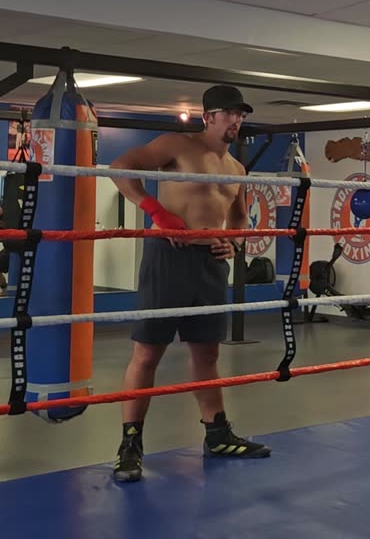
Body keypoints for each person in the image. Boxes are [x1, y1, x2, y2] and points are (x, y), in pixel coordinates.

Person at [110, 85, 270, 483]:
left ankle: (216, 434)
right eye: (228, 113)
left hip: (210, 266)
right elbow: (120, 170)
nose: (236, 120)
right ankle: (130, 445)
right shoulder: (176, 145)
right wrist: (159, 215)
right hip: (168, 257)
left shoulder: (237, 169)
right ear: (208, 117)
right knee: (147, 354)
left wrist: (232, 243)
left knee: (207, 355)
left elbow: (239, 219)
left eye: (241, 114)